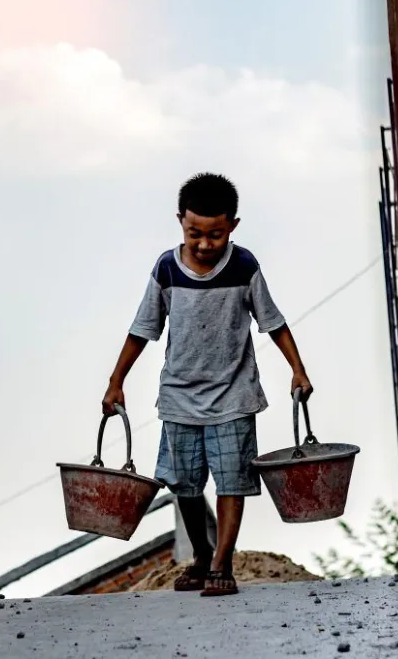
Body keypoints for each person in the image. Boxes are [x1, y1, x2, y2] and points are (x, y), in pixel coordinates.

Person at [101, 172, 312, 597]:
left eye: (215, 235)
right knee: (184, 484)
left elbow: (273, 322)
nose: (203, 244)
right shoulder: (166, 269)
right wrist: (115, 381)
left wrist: (298, 369)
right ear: (180, 221)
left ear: (232, 226)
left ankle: (221, 564)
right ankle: (201, 555)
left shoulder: (244, 266)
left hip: (234, 396)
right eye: (194, 233)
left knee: (232, 482)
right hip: (180, 398)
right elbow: (142, 329)